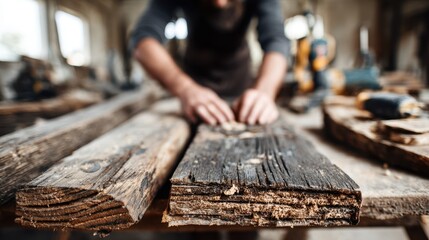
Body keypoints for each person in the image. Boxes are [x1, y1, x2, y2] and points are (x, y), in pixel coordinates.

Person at [131, 0, 289, 125]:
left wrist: (265, 92)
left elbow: (277, 41)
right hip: (193, 91)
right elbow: (143, 42)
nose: (219, 3)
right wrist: (185, 88)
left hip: (240, 87)